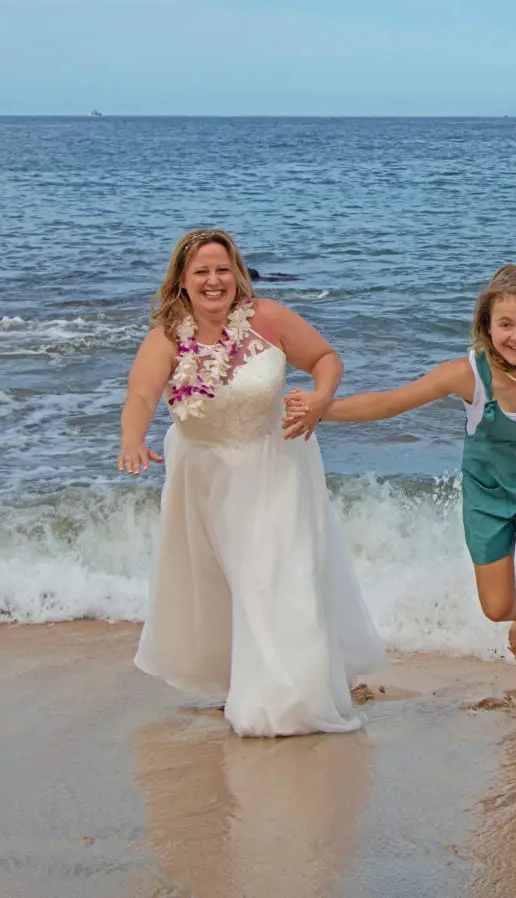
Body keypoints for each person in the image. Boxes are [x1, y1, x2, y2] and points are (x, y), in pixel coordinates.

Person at [299, 264, 516, 727]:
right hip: (488, 494)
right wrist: (321, 411)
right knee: (496, 607)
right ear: (486, 327)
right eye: (506, 325)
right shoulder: (466, 375)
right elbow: (389, 403)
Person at [118, 228, 384, 738]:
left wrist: (321, 398)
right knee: (228, 586)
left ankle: (284, 700)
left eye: (222, 270)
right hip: (205, 478)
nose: (214, 281)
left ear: (236, 274)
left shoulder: (268, 318)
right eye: (202, 272)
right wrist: (132, 438)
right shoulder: (167, 338)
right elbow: (141, 396)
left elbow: (326, 359)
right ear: (182, 281)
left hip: (276, 465)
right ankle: (243, 681)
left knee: (274, 577)